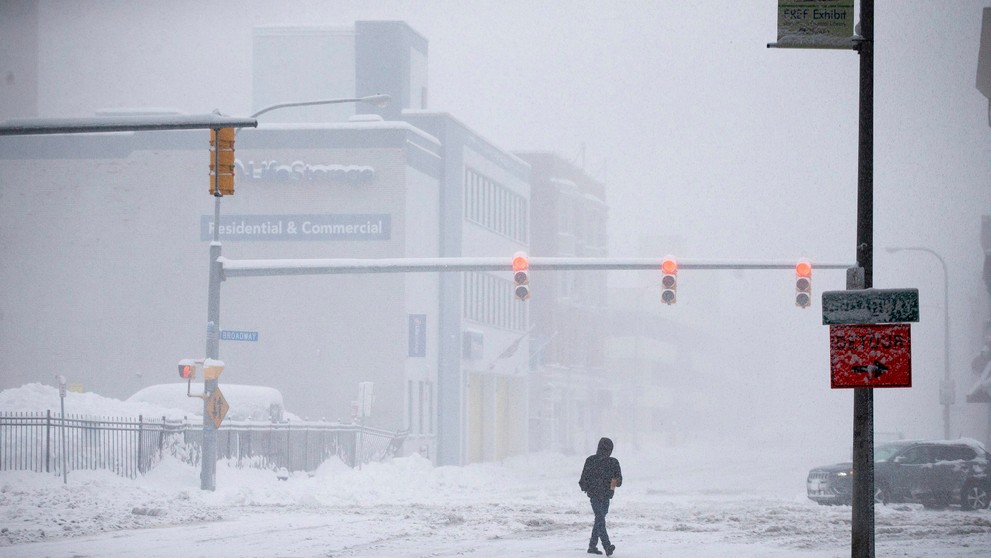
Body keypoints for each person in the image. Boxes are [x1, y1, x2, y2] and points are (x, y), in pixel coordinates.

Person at [579, 437, 622, 555]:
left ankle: (592, 546)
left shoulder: (593, 461)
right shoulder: (611, 462)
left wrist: (587, 487)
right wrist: (612, 486)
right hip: (599, 496)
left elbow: (583, 479)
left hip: (601, 496)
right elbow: (618, 480)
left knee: (599, 519)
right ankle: (607, 546)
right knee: (600, 519)